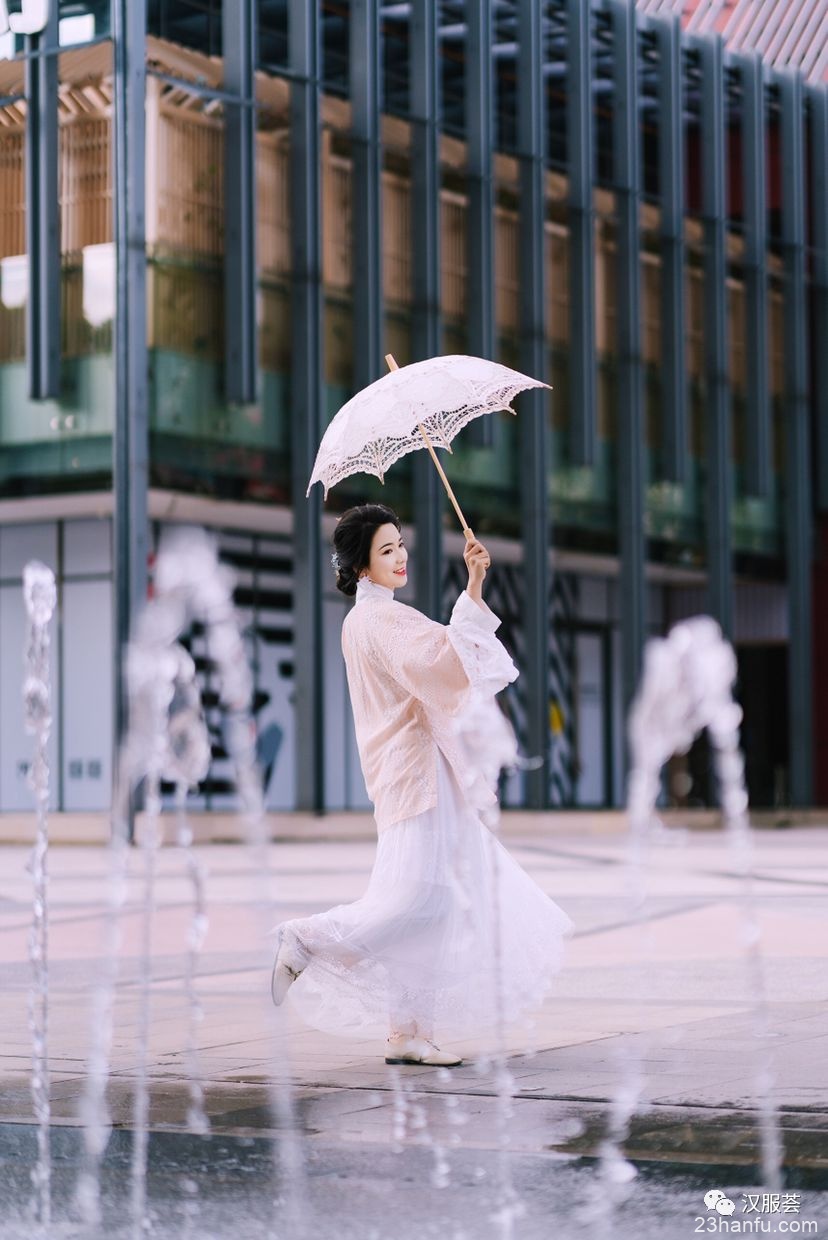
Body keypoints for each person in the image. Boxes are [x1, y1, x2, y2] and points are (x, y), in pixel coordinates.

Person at [271, 503, 573, 1066]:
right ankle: (309, 937)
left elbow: (435, 658)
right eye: (386, 550)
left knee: (432, 903)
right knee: (417, 897)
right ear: (361, 567)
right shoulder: (380, 619)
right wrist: (475, 586)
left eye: (400, 545)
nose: (400, 556)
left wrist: (474, 587)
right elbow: (440, 663)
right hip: (418, 772)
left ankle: (407, 1031)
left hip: (407, 772)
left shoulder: (367, 619)